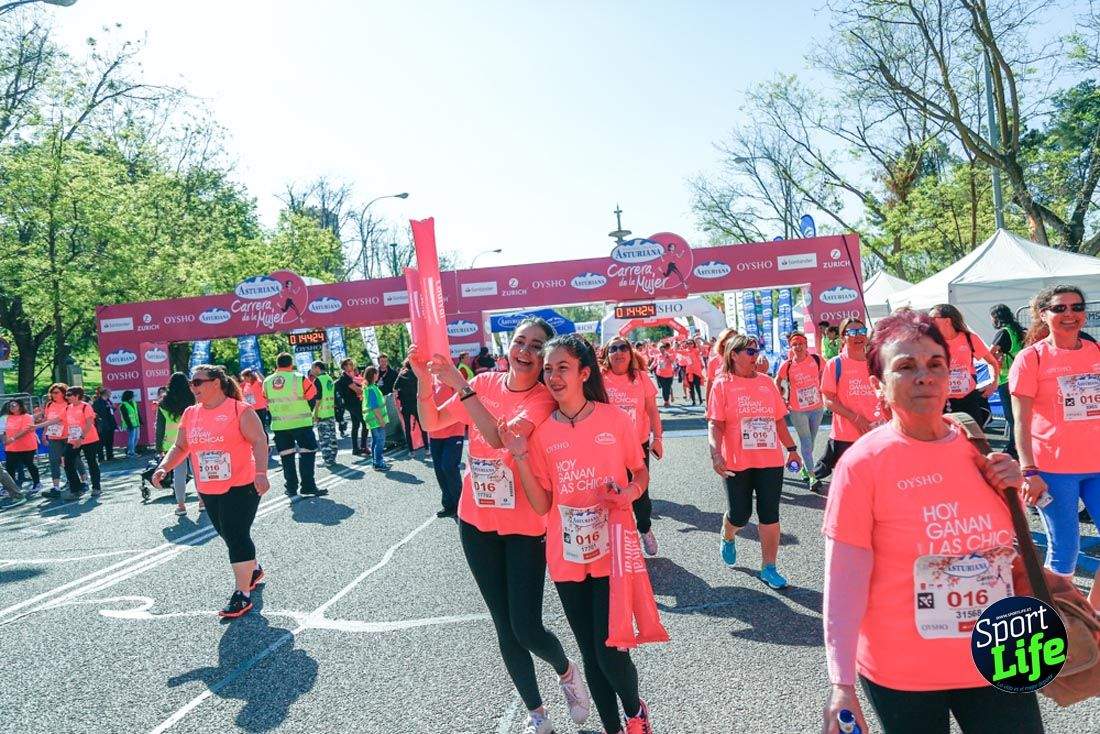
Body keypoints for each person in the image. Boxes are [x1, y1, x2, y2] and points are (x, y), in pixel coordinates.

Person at [820, 308, 1043, 734]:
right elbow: (843, 582)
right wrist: (841, 683)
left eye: (934, 364)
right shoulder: (862, 465)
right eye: (905, 367)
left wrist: (1012, 486)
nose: (924, 376)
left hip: (998, 651)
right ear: (878, 387)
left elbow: (1003, 549)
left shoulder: (976, 445)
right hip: (903, 670)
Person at [411, 318, 591, 734]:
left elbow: (496, 438)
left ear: (546, 355)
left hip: (525, 525)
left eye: (536, 345)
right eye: (519, 342)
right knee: (503, 626)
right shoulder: (487, 383)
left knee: (526, 627)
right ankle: (538, 715)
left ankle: (565, 671)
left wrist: (461, 384)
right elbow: (433, 423)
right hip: (476, 522)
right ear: (507, 345)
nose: (524, 351)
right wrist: (424, 381)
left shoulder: (544, 400)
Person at [504, 334, 655, 734]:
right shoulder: (541, 434)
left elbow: (639, 471)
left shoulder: (613, 419)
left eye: (562, 368)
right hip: (567, 556)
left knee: (610, 654)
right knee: (589, 654)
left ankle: (634, 709)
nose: (552, 376)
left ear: (584, 373)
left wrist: (630, 492)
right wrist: (519, 457)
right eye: (548, 369)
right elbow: (541, 504)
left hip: (611, 552)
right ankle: (614, 729)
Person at [152, 364, 270, 619]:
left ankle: (242, 594)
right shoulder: (190, 413)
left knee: (236, 533)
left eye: (197, 382)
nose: (193, 387)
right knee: (226, 533)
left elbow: (260, 440)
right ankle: (254, 569)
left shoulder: (240, 410)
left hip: (242, 483)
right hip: (208, 487)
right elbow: (181, 446)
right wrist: (164, 468)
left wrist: (261, 473)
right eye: (191, 383)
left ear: (216, 382)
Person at [1011, 284, 1100, 610]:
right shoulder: (1031, 358)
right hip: (1053, 470)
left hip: (1097, 466)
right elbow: (1020, 422)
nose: (1069, 315)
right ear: (1043, 315)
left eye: (1076, 308)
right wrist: (1028, 470)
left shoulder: (1096, 352)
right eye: (1059, 309)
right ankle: (1056, 622)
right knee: (1065, 552)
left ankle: (1091, 617)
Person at [707, 335, 800, 589]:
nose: (754, 355)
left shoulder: (767, 383)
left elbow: (779, 420)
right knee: (740, 514)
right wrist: (716, 454)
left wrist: (791, 449)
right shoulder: (722, 385)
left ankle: (769, 567)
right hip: (737, 461)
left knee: (769, 514)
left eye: (756, 350)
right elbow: (715, 424)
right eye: (749, 351)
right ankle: (728, 534)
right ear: (733, 355)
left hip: (769, 459)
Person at [600, 337, 663, 556]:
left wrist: (658, 439)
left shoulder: (642, 377)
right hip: (607, 448)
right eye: (613, 348)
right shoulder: (600, 379)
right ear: (607, 354)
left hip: (637, 445)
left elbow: (653, 411)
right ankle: (618, 541)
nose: (618, 352)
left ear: (630, 353)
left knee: (640, 493)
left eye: (623, 347)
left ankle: (644, 529)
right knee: (611, 492)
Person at [811, 317, 881, 495]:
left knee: (875, 484)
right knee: (852, 487)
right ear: (843, 337)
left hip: (876, 431)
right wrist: (856, 419)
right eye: (852, 332)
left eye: (861, 331)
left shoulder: (875, 362)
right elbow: (828, 400)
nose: (858, 336)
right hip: (847, 434)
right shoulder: (836, 364)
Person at [263, 353, 325, 497]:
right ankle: (308, 486)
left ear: (277, 365)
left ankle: (291, 488)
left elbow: (266, 401)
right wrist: (307, 411)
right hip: (301, 423)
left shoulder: (267, 381)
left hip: (279, 426)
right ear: (291, 364)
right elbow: (312, 395)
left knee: (286, 456)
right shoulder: (299, 378)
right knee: (307, 453)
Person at [929, 304, 999, 426]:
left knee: (973, 439)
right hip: (941, 399)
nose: (929, 322)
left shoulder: (969, 338)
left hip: (967, 398)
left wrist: (993, 383)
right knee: (944, 441)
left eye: (933, 319)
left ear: (947, 320)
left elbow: (992, 362)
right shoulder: (931, 342)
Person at [776, 331, 824, 483]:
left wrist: (823, 388)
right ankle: (812, 476)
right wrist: (781, 397)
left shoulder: (816, 360)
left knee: (812, 440)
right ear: (790, 347)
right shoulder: (788, 365)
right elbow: (777, 381)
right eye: (794, 344)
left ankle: (805, 469)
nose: (798, 347)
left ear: (806, 344)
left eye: (800, 344)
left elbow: (826, 373)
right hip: (797, 410)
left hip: (817, 407)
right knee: (806, 441)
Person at [155, 372, 198, 516]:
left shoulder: (163, 403)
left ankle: (181, 505)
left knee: (179, 474)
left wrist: (159, 447)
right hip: (194, 439)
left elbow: (160, 427)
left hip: (173, 443)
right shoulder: (193, 398)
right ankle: (203, 501)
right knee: (198, 471)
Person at [989, 304, 1025, 458]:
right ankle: (1017, 447)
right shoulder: (1018, 331)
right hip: (1022, 376)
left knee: (1011, 418)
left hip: (1007, 379)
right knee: (1020, 417)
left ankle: (1013, 449)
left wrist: (996, 359)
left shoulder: (1003, 333)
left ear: (996, 317)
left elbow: (989, 353)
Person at [426, 377, 465, 518]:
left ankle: (461, 505)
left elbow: (464, 397)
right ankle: (448, 505)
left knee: (448, 467)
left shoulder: (452, 376)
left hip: (454, 431)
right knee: (439, 471)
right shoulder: (428, 380)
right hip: (435, 433)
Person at [62, 386, 102, 499]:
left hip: (89, 439)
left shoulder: (86, 406)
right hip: (73, 439)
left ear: (77, 396)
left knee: (91, 462)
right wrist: (37, 426)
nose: (67, 397)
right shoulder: (67, 408)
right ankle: (76, 488)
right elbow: (58, 420)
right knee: (67, 460)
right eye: (66, 395)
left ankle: (96, 487)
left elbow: (89, 424)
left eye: (69, 395)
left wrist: (81, 438)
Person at [39, 383, 75, 499]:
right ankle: (56, 487)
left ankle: (76, 482)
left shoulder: (69, 404)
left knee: (70, 460)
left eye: (56, 393)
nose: (53, 395)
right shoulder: (49, 405)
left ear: (63, 393)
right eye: (52, 393)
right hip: (54, 437)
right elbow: (47, 420)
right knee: (54, 460)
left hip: (67, 436)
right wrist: (44, 434)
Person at [3, 398, 41, 496]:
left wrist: (12, 438)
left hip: (26, 446)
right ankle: (9, 488)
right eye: (10, 406)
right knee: (9, 467)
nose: (11, 407)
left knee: (29, 464)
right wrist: (5, 440)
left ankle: (37, 483)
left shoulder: (27, 416)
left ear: (20, 406)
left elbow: (25, 430)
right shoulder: (7, 417)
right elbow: (3, 430)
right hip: (11, 447)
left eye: (14, 405)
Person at [394, 359, 428, 454]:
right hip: (416, 404)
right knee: (423, 427)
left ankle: (411, 451)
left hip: (405, 405)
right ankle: (427, 449)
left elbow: (395, 388)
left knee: (407, 428)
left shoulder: (401, 375)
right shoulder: (417, 374)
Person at [309, 361, 339, 466]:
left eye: (312, 368)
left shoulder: (318, 380)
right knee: (332, 436)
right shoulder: (329, 378)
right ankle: (333, 457)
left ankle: (327, 460)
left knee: (324, 438)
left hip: (322, 413)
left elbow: (318, 399)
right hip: (330, 411)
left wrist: (315, 414)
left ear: (317, 368)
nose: (311, 371)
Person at [335, 359, 367, 456]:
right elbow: (357, 390)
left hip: (353, 403)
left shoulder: (351, 376)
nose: (352, 365)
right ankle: (363, 447)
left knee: (356, 425)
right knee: (365, 423)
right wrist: (367, 389)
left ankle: (356, 448)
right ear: (344, 366)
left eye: (352, 364)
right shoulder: (345, 377)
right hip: (352, 403)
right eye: (349, 364)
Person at [362, 366, 391, 471]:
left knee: (376, 441)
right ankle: (378, 462)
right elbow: (375, 407)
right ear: (373, 375)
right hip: (376, 420)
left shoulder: (370, 387)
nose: (378, 375)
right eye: (377, 373)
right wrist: (381, 420)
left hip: (373, 419)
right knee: (380, 441)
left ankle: (376, 461)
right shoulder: (372, 389)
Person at [704, 329, 737, 404]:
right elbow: (710, 383)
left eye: (735, 338)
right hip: (720, 402)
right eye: (729, 338)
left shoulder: (743, 358)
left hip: (740, 401)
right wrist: (708, 404)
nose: (732, 341)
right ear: (723, 342)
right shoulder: (714, 361)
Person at [240, 369, 271, 436]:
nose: (244, 379)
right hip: (251, 410)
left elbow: (264, 381)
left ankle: (266, 444)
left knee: (261, 428)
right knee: (254, 429)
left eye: (245, 377)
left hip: (260, 409)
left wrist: (258, 372)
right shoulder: (245, 385)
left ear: (250, 376)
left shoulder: (257, 382)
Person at [92, 387, 118, 462]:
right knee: (101, 442)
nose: (111, 394)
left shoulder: (108, 401)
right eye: (109, 392)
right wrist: (107, 407)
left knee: (110, 441)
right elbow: (98, 413)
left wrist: (112, 407)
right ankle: (101, 458)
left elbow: (112, 410)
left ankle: (110, 456)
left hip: (110, 424)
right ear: (105, 393)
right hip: (102, 425)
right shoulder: (97, 402)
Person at [681, 339, 704, 406]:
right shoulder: (685, 351)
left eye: (691, 343)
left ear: (693, 344)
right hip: (689, 371)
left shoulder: (696, 350)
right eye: (688, 343)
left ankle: (700, 400)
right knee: (691, 387)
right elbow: (676, 351)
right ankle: (693, 401)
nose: (689, 345)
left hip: (696, 371)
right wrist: (680, 344)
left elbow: (700, 349)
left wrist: (698, 342)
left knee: (697, 387)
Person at [653, 344, 676, 408]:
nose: (662, 349)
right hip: (660, 374)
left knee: (667, 388)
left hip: (669, 374)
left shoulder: (669, 355)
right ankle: (666, 401)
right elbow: (654, 363)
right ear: (659, 349)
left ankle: (667, 401)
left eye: (663, 348)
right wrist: (650, 368)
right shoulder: (658, 356)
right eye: (661, 348)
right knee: (664, 388)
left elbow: (673, 362)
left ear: (665, 349)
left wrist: (668, 356)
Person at [119, 390, 141, 457]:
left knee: (137, 438)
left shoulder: (134, 403)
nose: (134, 396)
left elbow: (137, 413)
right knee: (131, 438)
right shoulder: (123, 405)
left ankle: (130, 450)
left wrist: (140, 420)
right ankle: (131, 452)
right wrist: (129, 425)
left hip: (136, 423)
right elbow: (125, 416)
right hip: (129, 425)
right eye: (132, 395)